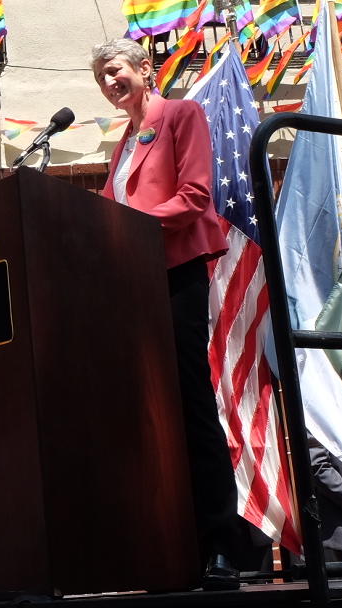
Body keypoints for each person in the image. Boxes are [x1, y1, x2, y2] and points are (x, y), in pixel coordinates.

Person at [91, 38, 239, 589]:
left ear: (143, 70)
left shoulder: (181, 114)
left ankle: (222, 543)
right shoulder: (124, 143)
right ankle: (162, 538)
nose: (109, 83)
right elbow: (107, 212)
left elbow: (195, 194)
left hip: (175, 270)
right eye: (101, 77)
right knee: (145, 407)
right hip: (132, 280)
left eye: (116, 71)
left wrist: (132, 228)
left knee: (189, 399)